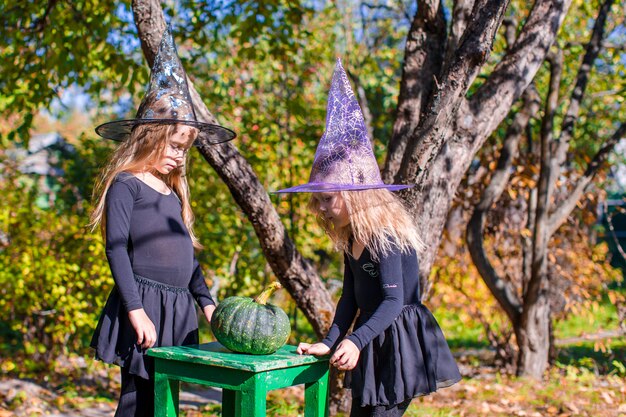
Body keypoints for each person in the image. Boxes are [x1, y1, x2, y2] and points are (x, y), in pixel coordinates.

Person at [275, 59, 461, 417]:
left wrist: (356, 340)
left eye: (327, 198)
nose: (321, 208)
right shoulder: (352, 238)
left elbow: (393, 302)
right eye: (318, 200)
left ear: (355, 192)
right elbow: (350, 296)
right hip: (373, 340)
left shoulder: (385, 235)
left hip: (398, 343)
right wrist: (330, 342)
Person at [89, 27, 235, 417]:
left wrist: (207, 304)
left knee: (165, 402)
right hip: (145, 303)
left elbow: (187, 258)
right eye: (175, 146)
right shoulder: (128, 185)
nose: (181, 156)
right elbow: (116, 249)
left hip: (178, 308)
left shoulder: (173, 193)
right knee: (138, 399)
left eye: (186, 149)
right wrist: (135, 309)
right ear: (151, 138)